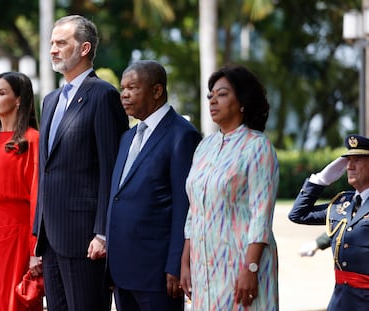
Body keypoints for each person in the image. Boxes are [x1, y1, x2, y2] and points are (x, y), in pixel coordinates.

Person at [32, 15, 129, 311]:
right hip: (50, 238)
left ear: (84, 48)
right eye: (51, 43)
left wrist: (103, 232)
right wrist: (38, 234)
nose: (53, 49)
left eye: (61, 43)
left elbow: (112, 168)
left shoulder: (103, 96)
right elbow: (46, 169)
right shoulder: (50, 100)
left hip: (86, 238)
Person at [180, 64, 280, 310]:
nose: (213, 100)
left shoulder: (257, 146)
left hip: (240, 264)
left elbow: (261, 215)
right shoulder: (205, 146)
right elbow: (194, 210)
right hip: (203, 264)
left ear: (243, 101)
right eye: (210, 95)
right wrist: (185, 261)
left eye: (222, 94)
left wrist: (250, 268)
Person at [106, 60, 202, 311]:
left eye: (133, 88)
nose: (124, 94)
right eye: (122, 88)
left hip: (158, 274)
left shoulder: (182, 134)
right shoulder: (127, 137)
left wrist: (175, 265)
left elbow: (185, 207)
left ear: (157, 91)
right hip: (122, 272)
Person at [0, 71, 41, 311]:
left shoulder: (32, 140)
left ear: (18, 100)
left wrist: (35, 250)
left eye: (1, 93)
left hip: (18, 238)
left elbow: (36, 198)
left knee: (15, 303)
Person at [289, 134, 369, 310]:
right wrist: (320, 180)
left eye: (357, 160)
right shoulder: (342, 203)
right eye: (348, 160)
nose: (350, 166)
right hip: (341, 299)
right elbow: (298, 214)